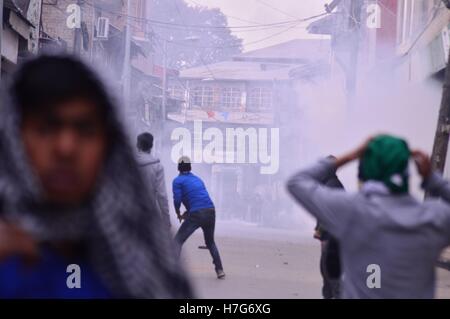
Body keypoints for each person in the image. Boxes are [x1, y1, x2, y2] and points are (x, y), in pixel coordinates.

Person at [0, 55, 193, 298]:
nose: (66, 148)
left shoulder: (143, 261)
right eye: (46, 127)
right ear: (15, 138)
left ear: (108, 145)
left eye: (85, 129)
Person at [287, 135, 450, 298]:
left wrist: (349, 156)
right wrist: (432, 179)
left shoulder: (351, 210)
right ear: (406, 173)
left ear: (363, 171)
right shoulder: (432, 219)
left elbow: (296, 182)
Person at [173, 156, 225, 279]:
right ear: (190, 167)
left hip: (196, 214)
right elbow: (198, 199)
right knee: (210, 242)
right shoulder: (198, 179)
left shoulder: (178, 181)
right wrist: (188, 213)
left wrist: (178, 213)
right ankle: (219, 270)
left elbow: (177, 200)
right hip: (210, 210)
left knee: (178, 241)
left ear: (178, 167)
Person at [313, 167, 343, 299]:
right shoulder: (332, 184)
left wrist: (320, 230)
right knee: (327, 270)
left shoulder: (330, 186)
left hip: (330, 235)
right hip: (333, 234)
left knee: (327, 269)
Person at [136, 132, 171, 228]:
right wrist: (166, 220)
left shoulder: (127, 163)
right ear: (151, 146)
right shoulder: (157, 166)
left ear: (137, 145)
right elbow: (162, 195)